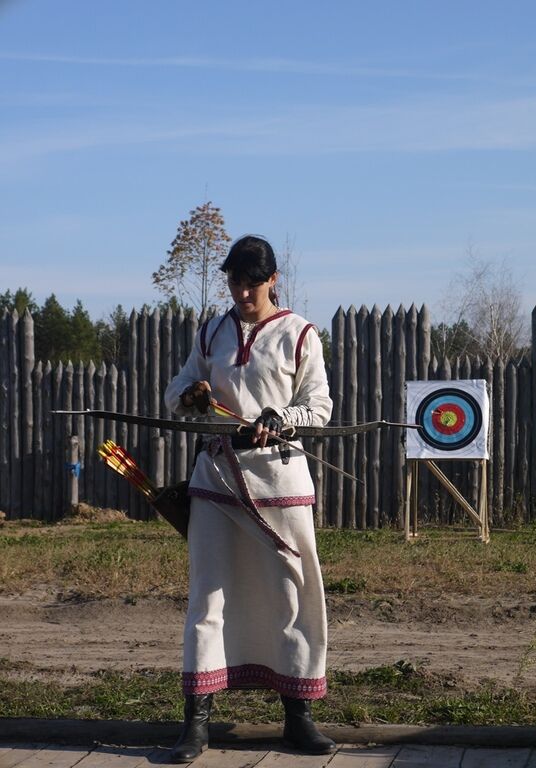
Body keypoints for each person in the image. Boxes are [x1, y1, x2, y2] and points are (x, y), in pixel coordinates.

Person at [164, 235, 336, 762]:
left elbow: (320, 407)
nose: (241, 293)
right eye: (234, 282)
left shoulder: (299, 334)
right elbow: (177, 393)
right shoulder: (211, 331)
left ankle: (297, 718)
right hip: (216, 478)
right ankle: (197, 722)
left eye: (251, 283)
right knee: (207, 595)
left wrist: (280, 417)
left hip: (279, 484)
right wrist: (191, 397)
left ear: (272, 280)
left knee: (289, 595)